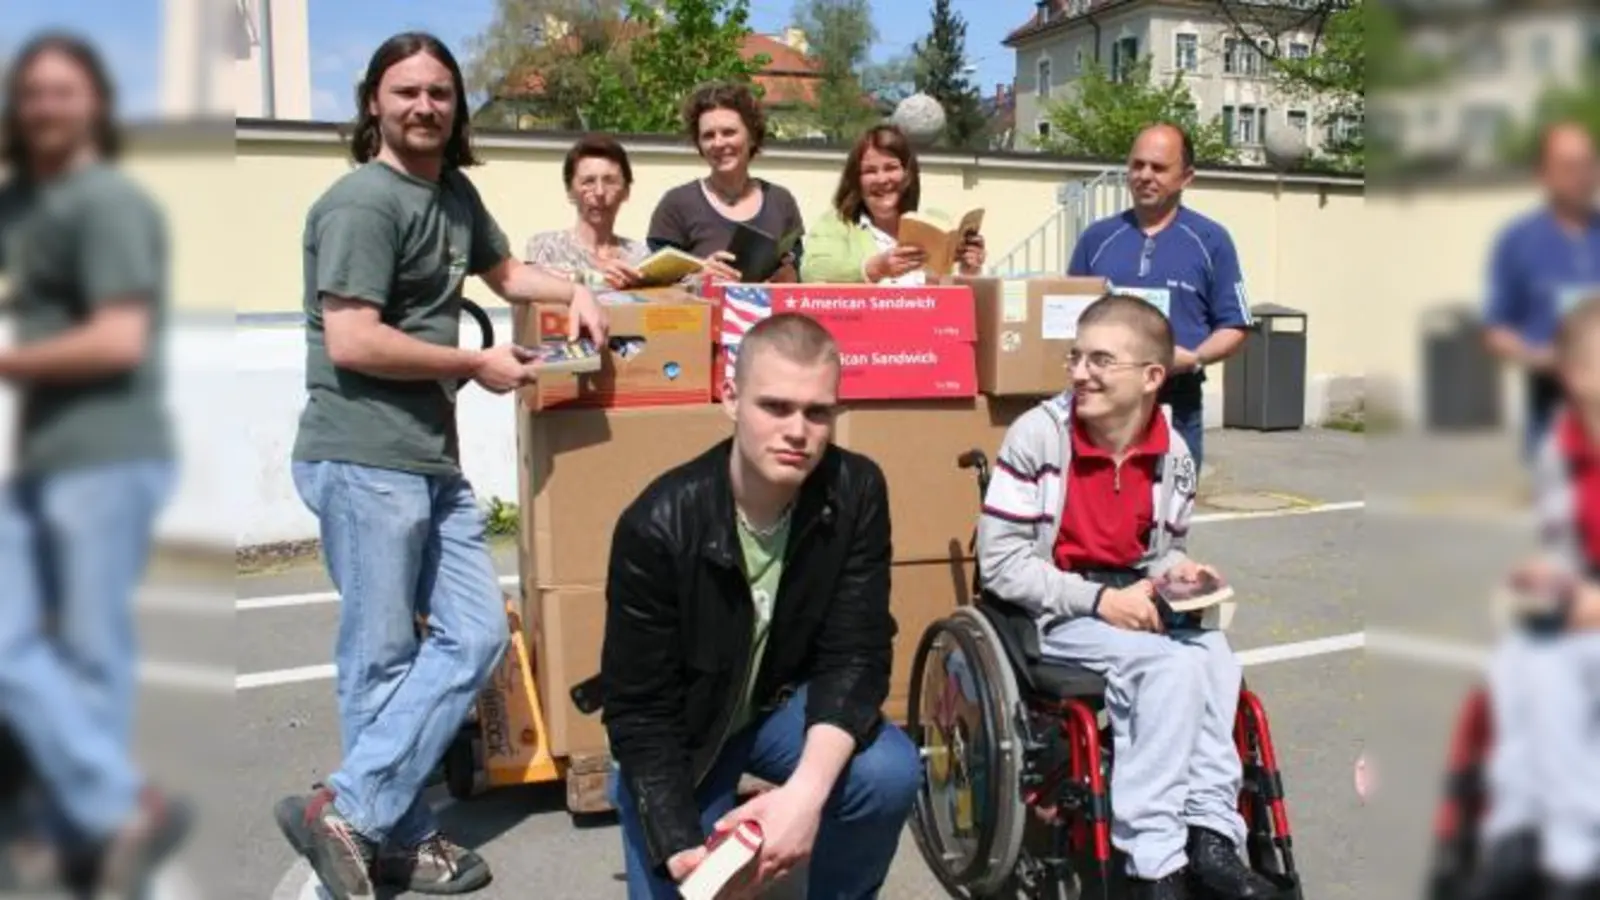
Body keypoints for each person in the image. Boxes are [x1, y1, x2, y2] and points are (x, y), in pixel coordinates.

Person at [270, 32, 607, 900]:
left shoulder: (454, 194)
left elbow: (507, 272)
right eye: (406, 91)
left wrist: (575, 288)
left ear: (457, 107)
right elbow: (352, 340)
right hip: (362, 455)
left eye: (440, 93)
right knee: (381, 658)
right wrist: (472, 364)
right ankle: (399, 837)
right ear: (373, 103)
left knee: (479, 633)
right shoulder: (361, 204)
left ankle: (350, 810)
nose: (424, 106)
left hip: (428, 456)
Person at [595, 312, 921, 899]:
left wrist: (803, 799)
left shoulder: (856, 491)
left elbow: (857, 650)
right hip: (685, 731)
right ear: (731, 397)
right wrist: (679, 845)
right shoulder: (658, 525)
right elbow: (640, 711)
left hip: (778, 707)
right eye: (775, 406)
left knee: (887, 773)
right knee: (692, 884)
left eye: (817, 412)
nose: (798, 431)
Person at [976, 294, 1279, 900]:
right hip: (1054, 606)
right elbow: (1002, 563)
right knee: (1169, 668)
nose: (1080, 373)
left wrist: (1182, 573)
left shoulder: (1174, 453)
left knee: (1215, 656)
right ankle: (1154, 860)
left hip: (1133, 595)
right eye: (1076, 357)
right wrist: (1098, 602)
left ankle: (1211, 833)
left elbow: (1161, 550)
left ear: (1151, 377)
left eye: (1100, 360)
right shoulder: (1039, 436)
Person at [0, 31, 191, 897]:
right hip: (45, 456)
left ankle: (97, 819)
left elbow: (118, 339)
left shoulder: (108, 202)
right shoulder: (32, 204)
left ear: (94, 106)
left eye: (62, 91)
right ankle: (99, 810)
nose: (45, 106)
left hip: (105, 456)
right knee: (39, 650)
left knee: (84, 654)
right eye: (32, 92)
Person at [1471, 294, 1600, 900]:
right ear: (1571, 373)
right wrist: (1546, 574)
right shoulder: (1562, 445)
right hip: (1583, 606)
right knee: (1518, 662)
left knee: (1565, 671)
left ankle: (1575, 847)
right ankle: (1517, 826)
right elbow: (1564, 546)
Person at [1067, 123, 1252, 476]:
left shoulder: (1211, 240)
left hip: (1175, 404)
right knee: (1099, 506)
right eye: (1137, 165)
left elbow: (1235, 325)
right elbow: (1070, 317)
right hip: (1102, 405)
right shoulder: (1097, 238)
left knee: (1169, 506)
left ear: (1186, 177)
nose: (1145, 176)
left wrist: (1194, 359)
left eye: (1159, 167)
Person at [1483, 121, 1600, 462]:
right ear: (1543, 173)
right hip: (1552, 426)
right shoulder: (1518, 242)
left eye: (1588, 164)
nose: (1582, 176)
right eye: (1569, 166)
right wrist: (1543, 357)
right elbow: (1496, 330)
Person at [647, 81, 805, 284]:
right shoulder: (677, 204)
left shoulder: (781, 201)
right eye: (708, 136)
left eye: (729, 132)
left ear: (752, 137)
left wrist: (789, 275)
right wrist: (697, 277)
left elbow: (797, 265)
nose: (719, 143)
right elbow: (653, 284)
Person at [800, 123, 986, 284]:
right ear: (856, 180)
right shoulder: (837, 224)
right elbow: (811, 271)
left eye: (891, 168)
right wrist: (875, 269)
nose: (882, 179)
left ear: (908, 173)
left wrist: (969, 270)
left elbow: (956, 299)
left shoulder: (935, 223)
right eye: (870, 171)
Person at [524, 134, 650, 289]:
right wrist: (596, 277)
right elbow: (531, 288)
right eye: (588, 181)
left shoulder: (638, 257)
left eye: (610, 181)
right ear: (570, 191)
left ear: (626, 191)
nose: (599, 192)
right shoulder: (547, 248)